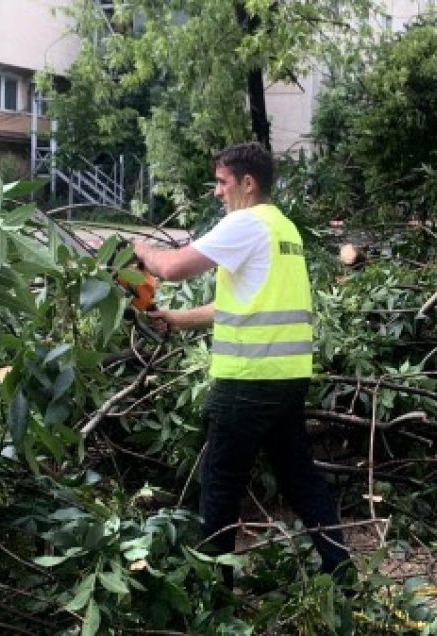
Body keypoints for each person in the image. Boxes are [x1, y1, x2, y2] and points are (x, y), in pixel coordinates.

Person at [132, 141, 351, 587]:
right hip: (286, 380)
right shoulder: (283, 229)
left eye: (221, 182)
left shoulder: (245, 223)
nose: (217, 192)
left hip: (246, 381)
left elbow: (172, 268)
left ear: (247, 184)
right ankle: (342, 573)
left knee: (221, 483)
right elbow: (237, 305)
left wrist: (140, 249)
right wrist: (175, 319)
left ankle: (216, 596)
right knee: (300, 479)